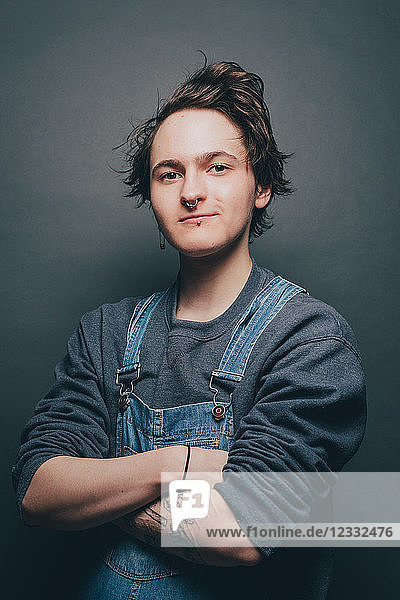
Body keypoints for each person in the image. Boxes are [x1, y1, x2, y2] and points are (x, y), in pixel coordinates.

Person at [12, 60, 366, 599]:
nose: (191, 192)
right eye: (170, 173)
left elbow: (243, 530)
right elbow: (37, 493)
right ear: (151, 196)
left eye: (218, 167)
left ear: (262, 187)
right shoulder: (103, 334)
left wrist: (102, 495)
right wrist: (175, 464)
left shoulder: (311, 340)